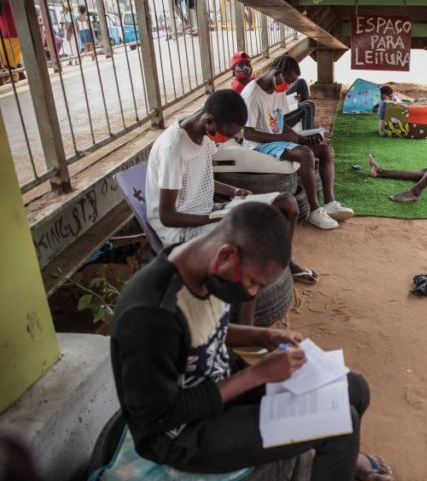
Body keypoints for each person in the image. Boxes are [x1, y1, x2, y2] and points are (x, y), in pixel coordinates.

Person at [110, 202, 394, 480]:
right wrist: (257, 375)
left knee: (355, 389)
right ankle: (341, 451)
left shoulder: (198, 266)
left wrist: (262, 335)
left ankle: (343, 457)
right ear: (226, 256)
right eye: (254, 282)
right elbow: (157, 416)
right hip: (183, 435)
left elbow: (202, 329)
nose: (253, 293)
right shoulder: (151, 316)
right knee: (340, 426)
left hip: (224, 389)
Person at [145, 89, 318, 289]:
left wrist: (234, 192)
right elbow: (168, 217)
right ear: (209, 120)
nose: (228, 139)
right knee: (252, 232)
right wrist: (218, 218)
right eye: (227, 134)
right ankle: (251, 291)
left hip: (207, 210)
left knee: (287, 203)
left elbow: (201, 178)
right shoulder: (174, 150)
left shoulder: (204, 132)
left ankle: (286, 263)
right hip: (181, 229)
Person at [241, 55, 353, 230]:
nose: (290, 86)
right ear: (278, 73)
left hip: (277, 141)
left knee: (326, 151)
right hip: (258, 145)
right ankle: (315, 211)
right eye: (289, 81)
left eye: (293, 82)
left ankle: (330, 203)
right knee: (305, 154)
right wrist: (286, 138)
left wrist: (299, 136)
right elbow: (248, 133)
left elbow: (278, 122)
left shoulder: (277, 89)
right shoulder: (252, 94)